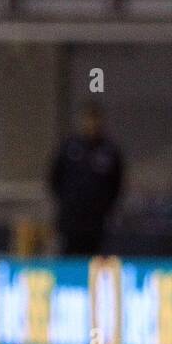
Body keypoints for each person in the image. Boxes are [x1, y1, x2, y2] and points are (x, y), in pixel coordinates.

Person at [48, 103, 124, 255]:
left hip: (97, 221)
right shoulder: (69, 147)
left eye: (95, 120)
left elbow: (117, 184)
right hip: (71, 220)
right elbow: (54, 178)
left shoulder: (109, 151)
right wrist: (67, 202)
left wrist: (105, 207)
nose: (92, 124)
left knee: (95, 257)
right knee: (69, 257)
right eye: (89, 120)